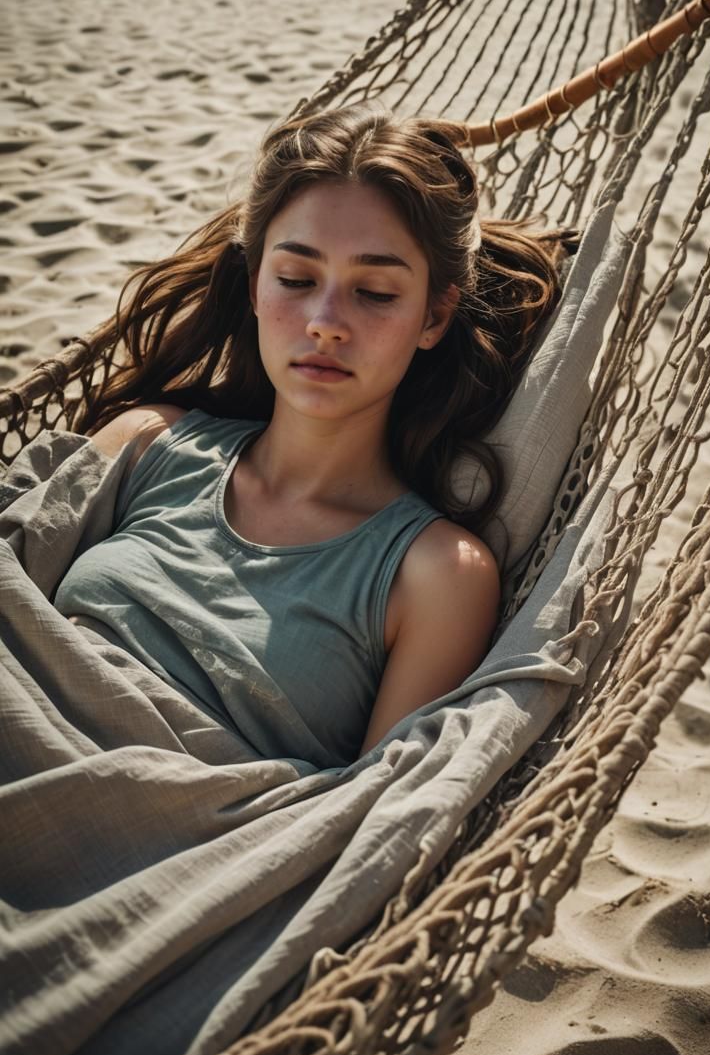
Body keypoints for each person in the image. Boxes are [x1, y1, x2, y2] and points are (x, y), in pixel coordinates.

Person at [53, 99, 575, 767]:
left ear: (434, 317)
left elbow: (366, 815)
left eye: (376, 292)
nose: (326, 320)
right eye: (296, 278)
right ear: (253, 285)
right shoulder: (147, 443)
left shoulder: (435, 576)